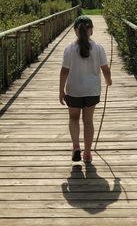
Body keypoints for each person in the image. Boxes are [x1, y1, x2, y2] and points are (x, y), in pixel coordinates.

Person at [59, 15, 112, 163]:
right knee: (88, 121)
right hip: (92, 91)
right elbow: (105, 70)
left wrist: (60, 91)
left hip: (73, 91)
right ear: (92, 30)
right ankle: (87, 154)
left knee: (73, 118)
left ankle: (76, 147)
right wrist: (108, 81)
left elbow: (64, 71)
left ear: (75, 31)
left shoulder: (69, 48)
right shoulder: (99, 48)